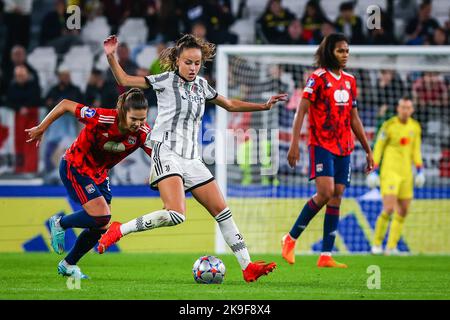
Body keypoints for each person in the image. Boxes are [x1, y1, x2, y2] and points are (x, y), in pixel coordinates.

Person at [99, 34, 287, 282]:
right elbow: (124, 79)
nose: (193, 67)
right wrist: (112, 56)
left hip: (192, 158)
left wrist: (262, 106)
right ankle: (119, 230)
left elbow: (229, 103)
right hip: (166, 151)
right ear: (177, 60)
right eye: (188, 62)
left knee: (223, 212)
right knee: (176, 214)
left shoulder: (202, 85)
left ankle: (247, 267)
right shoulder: (165, 80)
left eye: (197, 63)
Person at [25, 88, 153, 279]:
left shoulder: (143, 133)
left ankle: (68, 264)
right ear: (123, 112)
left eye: (142, 119)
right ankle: (60, 223)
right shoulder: (102, 118)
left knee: (101, 225)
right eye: (134, 119)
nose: (138, 124)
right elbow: (66, 104)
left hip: (99, 174)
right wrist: (42, 127)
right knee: (102, 216)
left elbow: (159, 156)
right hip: (75, 166)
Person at [282, 33, 374, 268]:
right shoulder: (317, 78)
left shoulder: (350, 80)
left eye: (347, 51)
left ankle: (325, 255)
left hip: (344, 146)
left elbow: (354, 118)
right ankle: (290, 238)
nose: (345, 55)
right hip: (321, 144)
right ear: (329, 52)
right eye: (340, 51)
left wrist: (367, 149)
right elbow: (301, 111)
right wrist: (294, 143)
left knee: (337, 196)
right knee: (325, 192)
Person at [367, 97, 424, 255]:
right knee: (389, 208)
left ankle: (391, 247)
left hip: (406, 173)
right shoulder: (389, 125)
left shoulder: (415, 127)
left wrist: (420, 170)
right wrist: (374, 170)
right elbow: (378, 147)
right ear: (398, 109)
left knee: (404, 210)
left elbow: (416, 150)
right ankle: (376, 244)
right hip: (389, 172)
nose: (405, 110)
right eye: (402, 107)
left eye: (408, 108)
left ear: (412, 110)